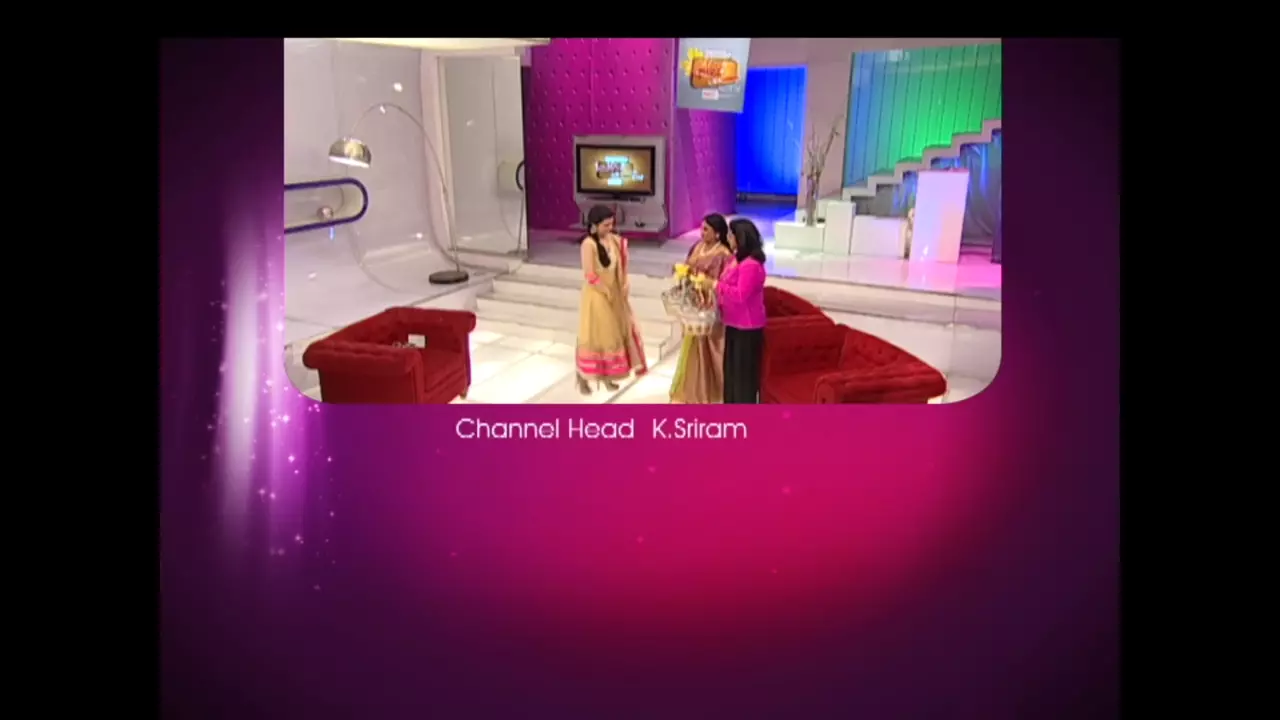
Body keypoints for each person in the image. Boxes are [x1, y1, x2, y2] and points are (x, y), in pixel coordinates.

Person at [576, 205, 647, 393]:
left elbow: (621, 267)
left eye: (611, 224)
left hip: (614, 294)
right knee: (596, 337)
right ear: (594, 225)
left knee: (614, 337)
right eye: (606, 225)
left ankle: (607, 377)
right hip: (596, 296)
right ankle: (583, 377)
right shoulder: (588, 244)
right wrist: (604, 290)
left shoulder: (614, 241)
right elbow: (589, 274)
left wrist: (624, 283)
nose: (610, 228)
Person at [669, 213, 734, 404]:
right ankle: (691, 390)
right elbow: (689, 267)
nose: (702, 232)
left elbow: (725, 282)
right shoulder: (698, 246)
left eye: (706, 229)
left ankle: (712, 393)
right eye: (701, 228)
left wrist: (707, 285)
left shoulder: (724, 254)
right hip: (694, 304)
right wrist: (683, 273)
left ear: (718, 234)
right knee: (693, 346)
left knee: (709, 348)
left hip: (711, 306)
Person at [714, 218, 768, 404]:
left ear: (741, 237)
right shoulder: (736, 260)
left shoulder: (751, 265)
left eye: (731, 234)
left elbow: (740, 294)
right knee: (731, 372)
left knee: (743, 376)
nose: (728, 238)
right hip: (733, 322)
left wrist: (716, 286)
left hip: (747, 326)